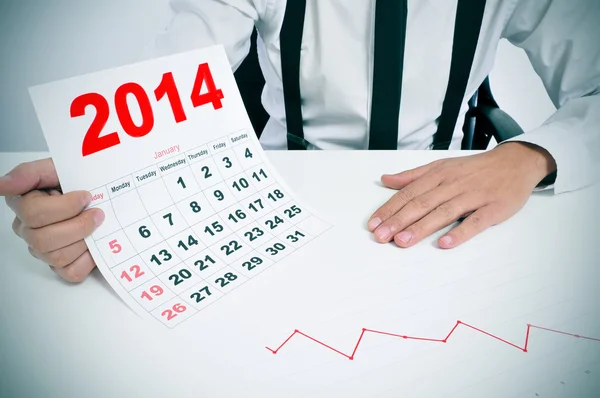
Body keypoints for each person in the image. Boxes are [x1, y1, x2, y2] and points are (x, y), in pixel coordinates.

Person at [1, 0, 598, 283]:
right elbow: (163, 86)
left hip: (444, 209)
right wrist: (93, 188)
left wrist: (531, 157)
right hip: (283, 197)